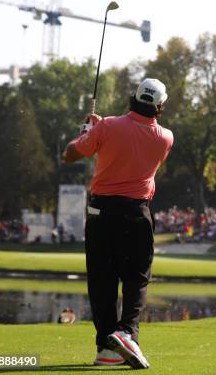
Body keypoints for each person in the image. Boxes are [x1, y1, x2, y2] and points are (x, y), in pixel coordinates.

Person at [62, 78, 173, 369]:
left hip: (100, 212)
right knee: (136, 277)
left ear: (132, 97)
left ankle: (106, 348)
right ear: (159, 107)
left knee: (102, 280)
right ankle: (126, 333)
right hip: (136, 212)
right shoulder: (165, 137)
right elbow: (132, 140)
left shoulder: (108, 126)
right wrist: (99, 131)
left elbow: (70, 155)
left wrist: (88, 132)